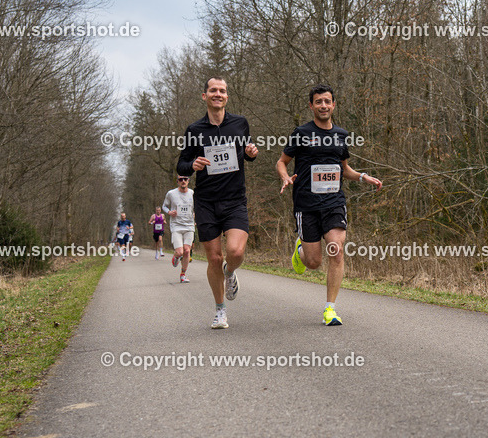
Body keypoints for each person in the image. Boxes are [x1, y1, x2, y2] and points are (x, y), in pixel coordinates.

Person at [276, 84, 381, 325]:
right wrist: (284, 176)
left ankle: (330, 309)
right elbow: (281, 162)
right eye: (318, 102)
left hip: (334, 202)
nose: (323, 106)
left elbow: (344, 169)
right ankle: (300, 250)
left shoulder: (342, 135)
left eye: (327, 101)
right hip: (306, 204)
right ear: (311, 105)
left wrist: (364, 177)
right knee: (313, 262)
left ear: (334, 105)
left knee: (336, 248)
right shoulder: (301, 133)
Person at [176, 77, 258, 329]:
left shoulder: (240, 123)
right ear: (205, 96)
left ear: (227, 97)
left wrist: (251, 153)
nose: (218, 94)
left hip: (234, 200)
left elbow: (247, 152)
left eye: (222, 91)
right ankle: (220, 310)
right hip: (206, 202)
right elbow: (181, 165)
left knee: (235, 252)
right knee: (213, 258)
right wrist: (193, 165)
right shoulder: (194, 130)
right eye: (213, 90)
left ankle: (230, 272)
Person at [163, 176, 195, 283]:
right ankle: (176, 256)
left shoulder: (192, 193)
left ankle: (183, 274)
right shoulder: (171, 194)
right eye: (181, 179)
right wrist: (169, 212)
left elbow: (197, 207)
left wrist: (196, 215)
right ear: (177, 181)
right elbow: (164, 206)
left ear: (188, 181)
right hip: (176, 225)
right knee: (180, 252)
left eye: (185, 179)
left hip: (189, 225)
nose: (183, 181)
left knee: (187, 251)